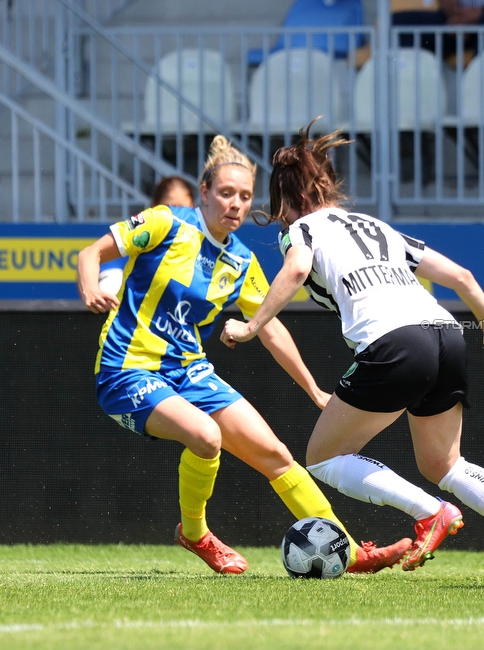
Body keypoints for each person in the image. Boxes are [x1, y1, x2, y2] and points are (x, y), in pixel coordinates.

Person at [219, 124, 484, 580]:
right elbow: (460, 275)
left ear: (283, 200)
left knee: (323, 457)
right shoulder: (376, 226)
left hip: (396, 341)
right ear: (326, 184)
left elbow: (298, 267)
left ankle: (429, 512)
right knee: (444, 463)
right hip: (446, 333)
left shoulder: (301, 229)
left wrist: (250, 326)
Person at [76, 135, 410, 576]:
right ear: (205, 193)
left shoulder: (240, 260)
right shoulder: (165, 223)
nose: (236, 204)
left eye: (245, 196)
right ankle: (195, 533)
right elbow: (91, 252)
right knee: (206, 437)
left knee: (276, 455)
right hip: (127, 370)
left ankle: (349, 552)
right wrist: (89, 287)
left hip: (189, 371)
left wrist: (313, 389)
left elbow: (271, 329)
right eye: (226, 193)